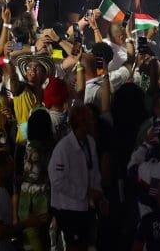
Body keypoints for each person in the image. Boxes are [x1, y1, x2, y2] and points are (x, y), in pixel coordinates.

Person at [49, 104, 104, 251]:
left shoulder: (90, 142)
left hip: (86, 207)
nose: (94, 122)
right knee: (75, 246)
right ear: (82, 123)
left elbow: (94, 171)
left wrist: (98, 194)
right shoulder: (63, 148)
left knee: (86, 244)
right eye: (90, 119)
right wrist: (84, 192)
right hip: (68, 208)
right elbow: (57, 180)